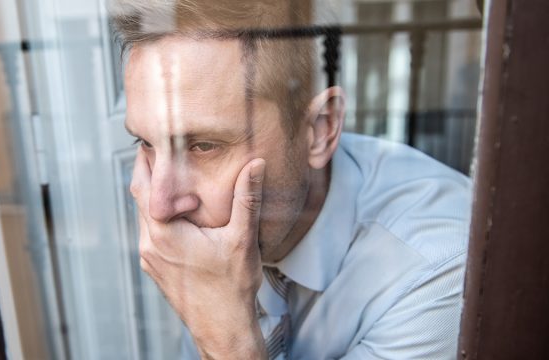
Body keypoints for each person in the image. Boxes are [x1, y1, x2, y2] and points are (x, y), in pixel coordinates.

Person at [111, 0, 472, 358]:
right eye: (146, 142)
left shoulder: (436, 269)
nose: (159, 206)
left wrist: (228, 344)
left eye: (204, 146)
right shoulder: (218, 234)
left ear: (319, 130)